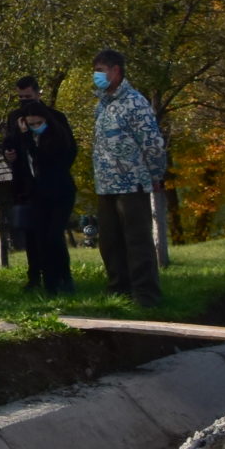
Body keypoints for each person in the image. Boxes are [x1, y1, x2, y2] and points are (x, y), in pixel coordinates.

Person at [88, 50, 167, 307]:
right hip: (106, 185)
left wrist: (156, 175)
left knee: (137, 241)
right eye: (95, 71)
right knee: (110, 242)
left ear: (116, 70)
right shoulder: (102, 104)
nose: (97, 76)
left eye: (101, 70)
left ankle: (146, 296)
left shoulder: (135, 102)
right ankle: (118, 293)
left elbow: (153, 143)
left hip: (132, 182)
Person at [0, 77, 78, 295]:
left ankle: (62, 277)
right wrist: (8, 154)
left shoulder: (55, 119)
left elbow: (68, 150)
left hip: (54, 183)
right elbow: (8, 142)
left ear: (38, 94)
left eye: (28, 97)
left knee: (53, 235)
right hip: (26, 184)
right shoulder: (15, 118)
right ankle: (37, 277)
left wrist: (54, 171)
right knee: (34, 234)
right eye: (20, 98)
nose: (24, 102)